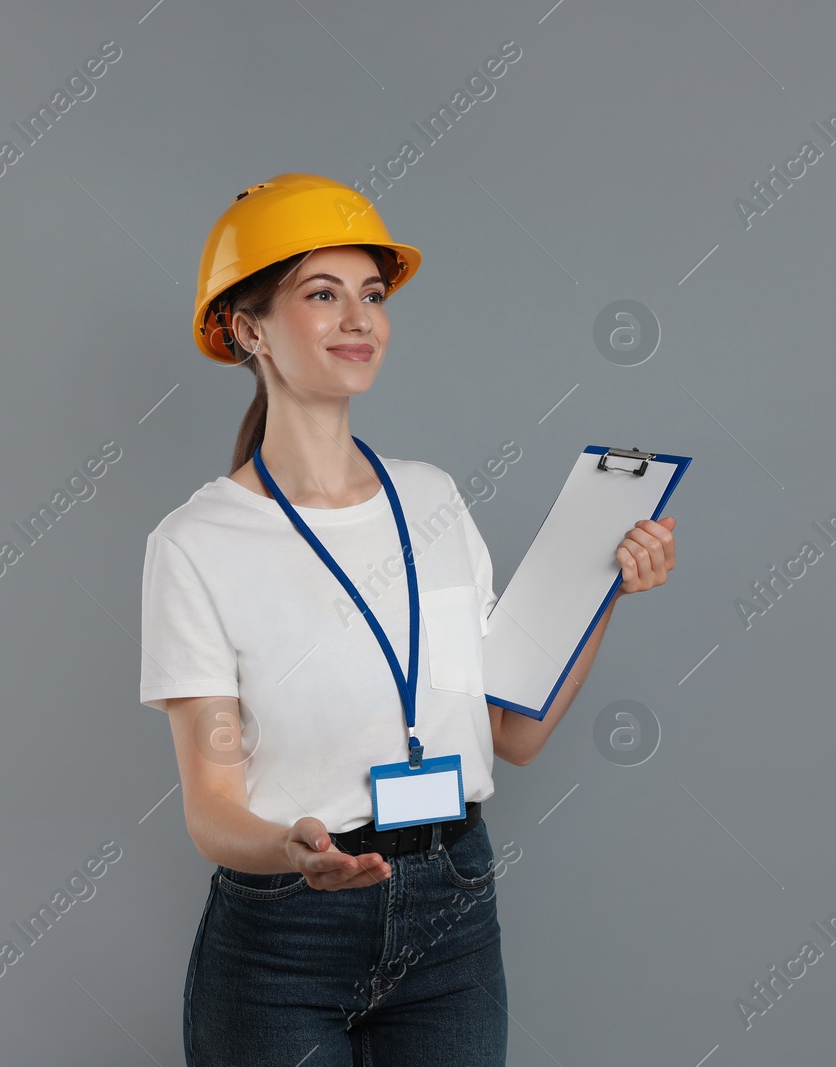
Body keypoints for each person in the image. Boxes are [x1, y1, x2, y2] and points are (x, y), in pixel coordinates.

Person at [140, 173, 677, 1066]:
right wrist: (292, 847)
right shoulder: (197, 542)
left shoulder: (431, 499)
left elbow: (514, 733)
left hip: (452, 909)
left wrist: (604, 588)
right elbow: (212, 810)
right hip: (285, 935)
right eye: (322, 294)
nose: (360, 319)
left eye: (373, 295)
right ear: (249, 330)